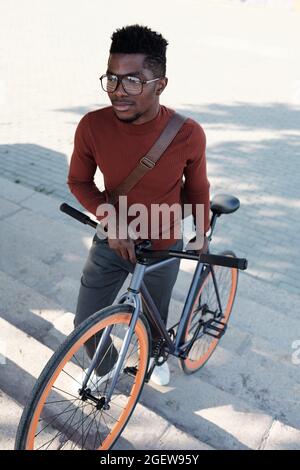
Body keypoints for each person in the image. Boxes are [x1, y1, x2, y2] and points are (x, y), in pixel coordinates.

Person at [67, 24, 210, 387]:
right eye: (112, 79)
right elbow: (79, 181)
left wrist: (200, 237)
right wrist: (112, 223)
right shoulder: (91, 126)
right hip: (110, 240)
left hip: (163, 244)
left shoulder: (187, 133)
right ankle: (107, 372)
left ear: (160, 84)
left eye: (133, 81)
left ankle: (157, 355)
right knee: (85, 324)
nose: (118, 92)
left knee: (153, 319)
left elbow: (196, 191)